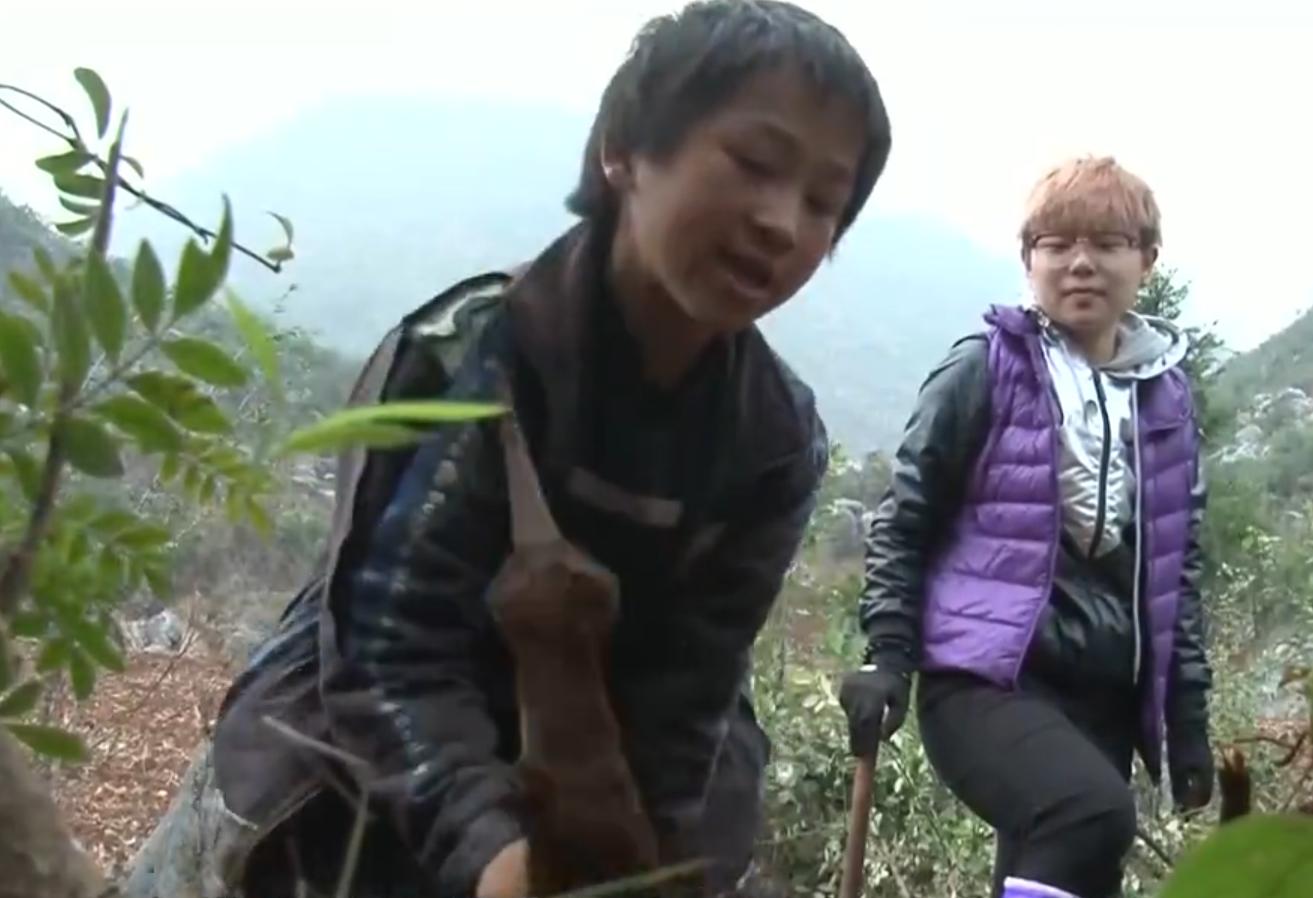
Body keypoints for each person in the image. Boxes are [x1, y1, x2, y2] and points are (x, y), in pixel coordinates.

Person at [206, 3, 892, 897]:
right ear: (624, 152)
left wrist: (624, 864)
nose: (780, 222)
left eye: (821, 203)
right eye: (754, 164)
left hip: (595, 754)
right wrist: (495, 857)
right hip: (379, 762)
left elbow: (685, 704)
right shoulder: (469, 356)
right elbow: (393, 644)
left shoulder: (776, 443)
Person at [839, 156, 1215, 898]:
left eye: (1106, 244)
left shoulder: (1163, 398)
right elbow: (903, 521)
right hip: (984, 679)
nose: (1079, 264)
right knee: (1088, 814)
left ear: (1145, 261)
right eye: (1055, 244)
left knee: (1073, 869)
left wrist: (1186, 717)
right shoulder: (984, 369)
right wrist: (888, 656)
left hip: (1101, 693)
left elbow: (1177, 570)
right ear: (1027, 259)